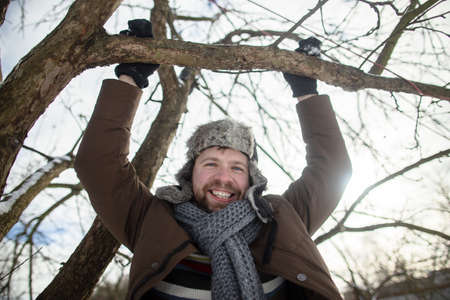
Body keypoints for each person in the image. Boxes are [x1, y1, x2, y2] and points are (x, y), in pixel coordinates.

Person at [75, 19, 352, 300]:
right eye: (210, 164)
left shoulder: (280, 219)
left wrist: (306, 92)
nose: (223, 177)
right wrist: (130, 79)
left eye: (236, 167)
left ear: (251, 177)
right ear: (189, 173)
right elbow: (99, 164)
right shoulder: (155, 219)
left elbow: (331, 170)